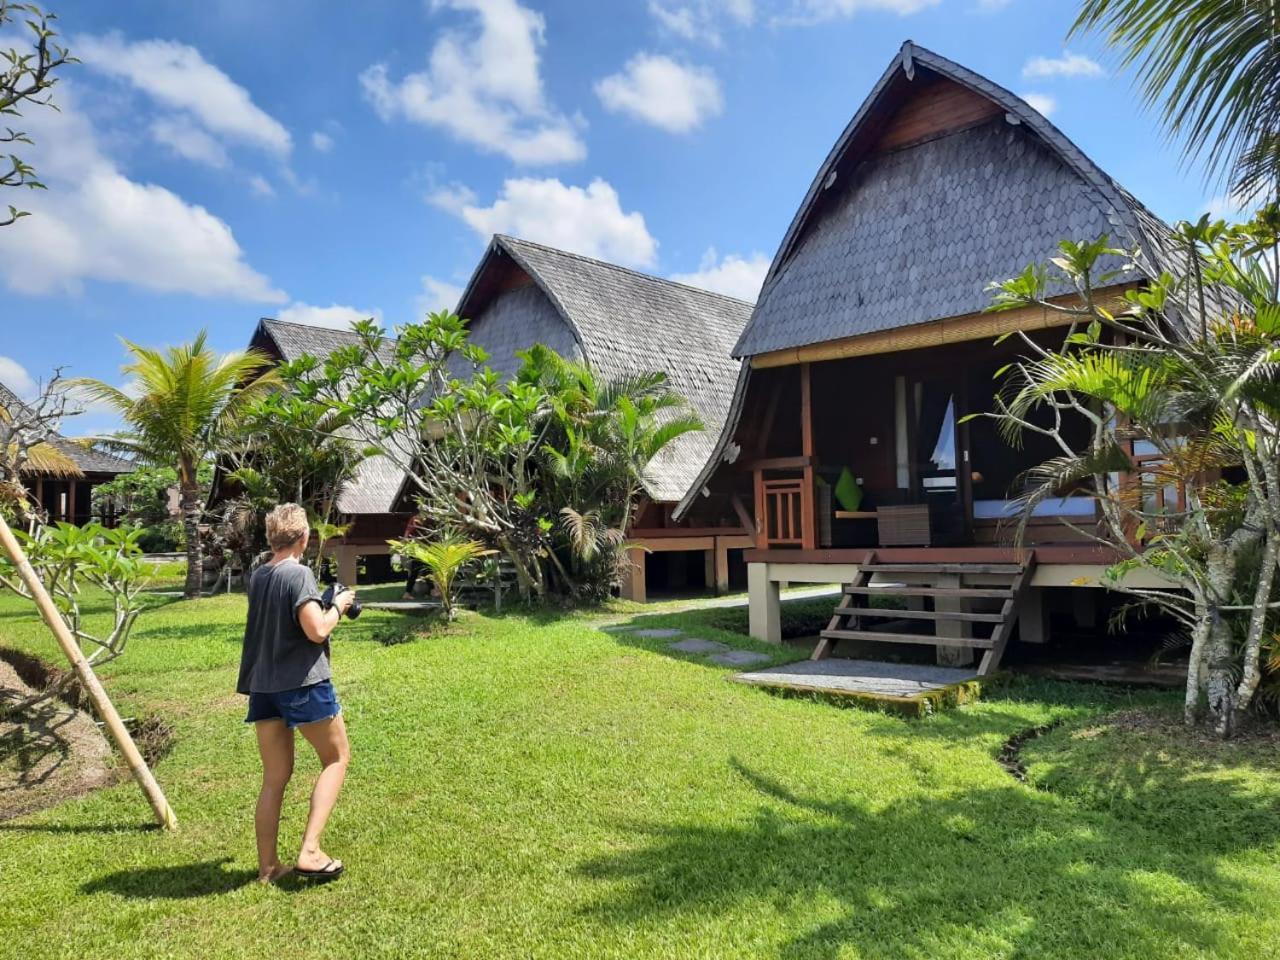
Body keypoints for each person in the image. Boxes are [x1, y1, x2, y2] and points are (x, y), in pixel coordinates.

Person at [237, 503, 356, 884]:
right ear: (303, 538)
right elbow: (316, 630)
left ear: (272, 538)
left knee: (275, 776)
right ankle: (310, 852)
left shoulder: (260, 576)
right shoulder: (299, 573)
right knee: (336, 757)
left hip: (264, 687)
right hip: (303, 684)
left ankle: (268, 867)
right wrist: (338, 605)